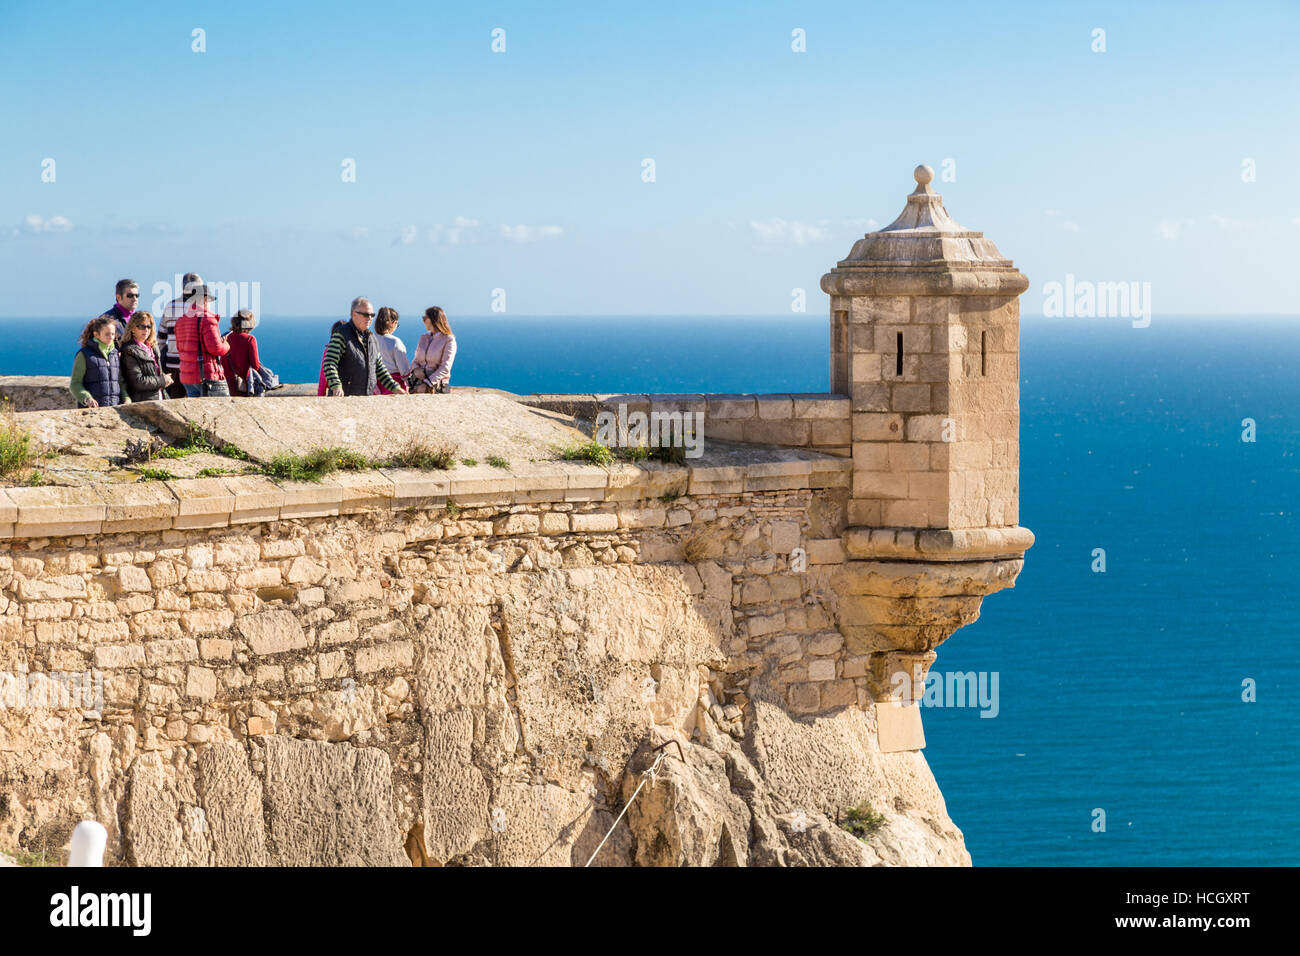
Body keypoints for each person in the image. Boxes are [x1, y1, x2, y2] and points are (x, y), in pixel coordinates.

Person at [321, 297, 407, 396]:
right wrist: (336, 386)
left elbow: (379, 367)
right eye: (366, 315)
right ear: (354, 314)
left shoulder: (372, 338)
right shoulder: (341, 334)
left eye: (372, 315)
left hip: (366, 397)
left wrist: (395, 388)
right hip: (343, 397)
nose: (369, 318)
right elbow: (329, 362)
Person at [175, 284, 231, 396]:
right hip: (206, 376)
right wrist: (226, 344)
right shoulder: (207, 319)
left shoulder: (181, 321)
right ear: (205, 300)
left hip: (187, 378)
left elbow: (181, 348)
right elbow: (216, 348)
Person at [158, 272, 202, 399]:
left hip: (172, 365)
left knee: (175, 404)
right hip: (194, 366)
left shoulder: (170, 306)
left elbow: (161, 339)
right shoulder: (200, 307)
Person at [69, 315, 122, 408]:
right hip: (92, 412)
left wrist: (126, 399)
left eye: (113, 334)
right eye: (107, 334)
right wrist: (87, 398)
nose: (111, 337)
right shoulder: (84, 355)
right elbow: (75, 384)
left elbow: (120, 382)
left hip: (114, 411)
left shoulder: (116, 355)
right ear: (96, 334)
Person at [119, 311, 172, 402]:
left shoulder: (153, 347)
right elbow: (138, 382)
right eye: (141, 326)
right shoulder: (129, 350)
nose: (146, 329)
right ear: (132, 328)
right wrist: (162, 381)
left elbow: (156, 374)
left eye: (149, 326)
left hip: (159, 397)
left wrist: (164, 379)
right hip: (143, 401)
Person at [408, 306, 457, 393]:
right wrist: (416, 369)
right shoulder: (423, 338)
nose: (423, 321)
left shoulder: (449, 340)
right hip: (417, 380)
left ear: (433, 319)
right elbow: (415, 360)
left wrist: (428, 383)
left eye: (425, 318)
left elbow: (445, 367)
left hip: (437, 384)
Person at [221, 310, 262, 396]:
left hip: (224, 383)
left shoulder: (225, 337)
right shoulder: (250, 339)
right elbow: (255, 365)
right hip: (242, 384)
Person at [373, 307, 409, 394]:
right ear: (393, 323)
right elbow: (404, 370)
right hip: (395, 384)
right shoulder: (395, 341)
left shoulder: (371, 339)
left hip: (376, 385)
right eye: (397, 324)